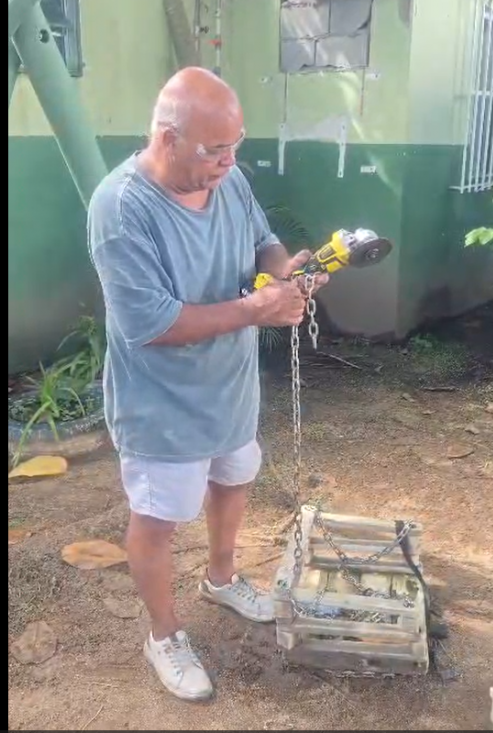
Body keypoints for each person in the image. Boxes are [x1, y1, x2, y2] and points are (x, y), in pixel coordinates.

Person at [87, 67, 328, 701]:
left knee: (235, 475)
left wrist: (286, 273)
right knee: (159, 517)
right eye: (215, 150)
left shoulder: (228, 178)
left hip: (230, 387)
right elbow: (153, 324)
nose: (228, 162)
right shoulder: (121, 208)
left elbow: (263, 242)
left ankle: (221, 579)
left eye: (235, 146)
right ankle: (164, 635)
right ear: (168, 138)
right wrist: (256, 309)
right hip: (161, 405)